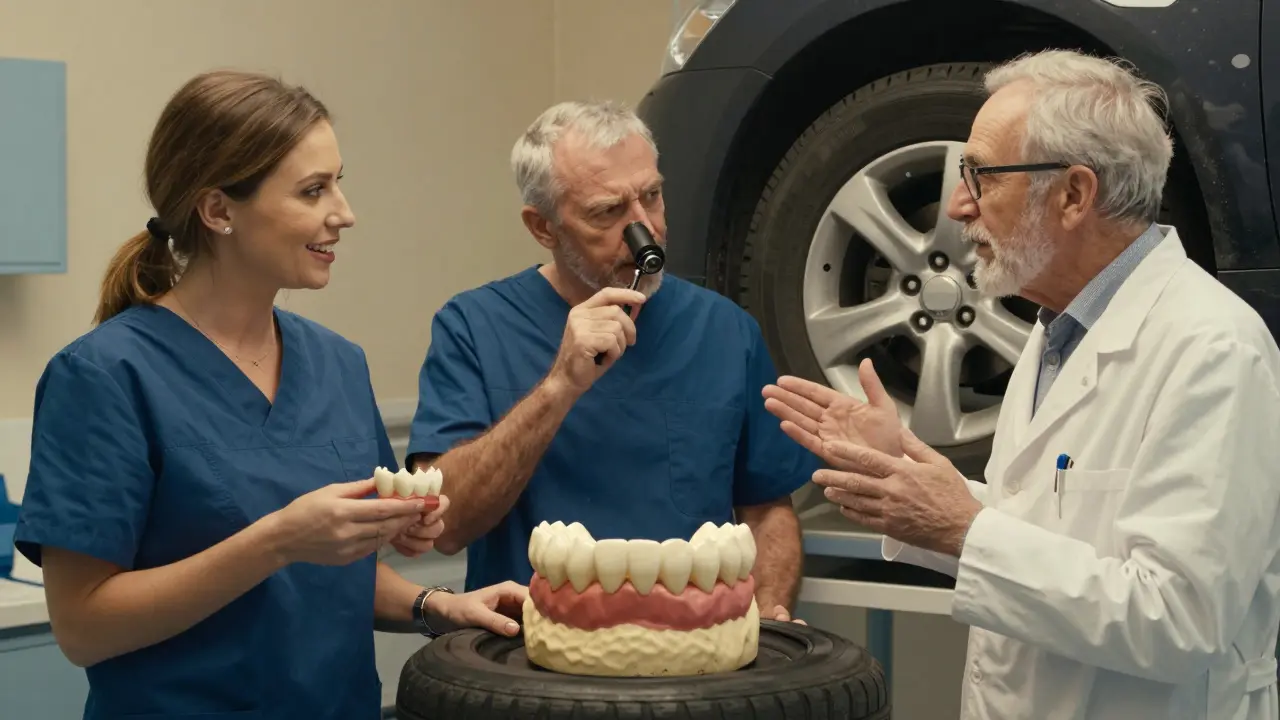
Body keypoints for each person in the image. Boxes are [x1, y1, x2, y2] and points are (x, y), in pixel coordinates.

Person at [763, 49, 1280, 719]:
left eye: (980, 174)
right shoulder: (1057, 329)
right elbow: (1046, 529)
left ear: (1073, 194)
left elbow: (1180, 619)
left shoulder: (1215, 352)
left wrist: (963, 527)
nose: (957, 203)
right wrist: (903, 477)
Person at [13, 70, 526, 720]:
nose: (344, 213)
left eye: (339, 181)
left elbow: (330, 576)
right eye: (314, 190)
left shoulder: (337, 363)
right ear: (219, 210)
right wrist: (277, 540)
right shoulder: (106, 377)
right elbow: (84, 627)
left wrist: (432, 606)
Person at [403, 100, 820, 620]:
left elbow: (766, 508)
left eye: (652, 196)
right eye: (607, 212)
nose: (644, 229)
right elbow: (448, 524)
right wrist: (559, 387)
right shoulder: (474, 326)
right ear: (543, 228)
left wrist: (768, 614)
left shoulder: (725, 331)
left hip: (693, 665)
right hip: (531, 660)